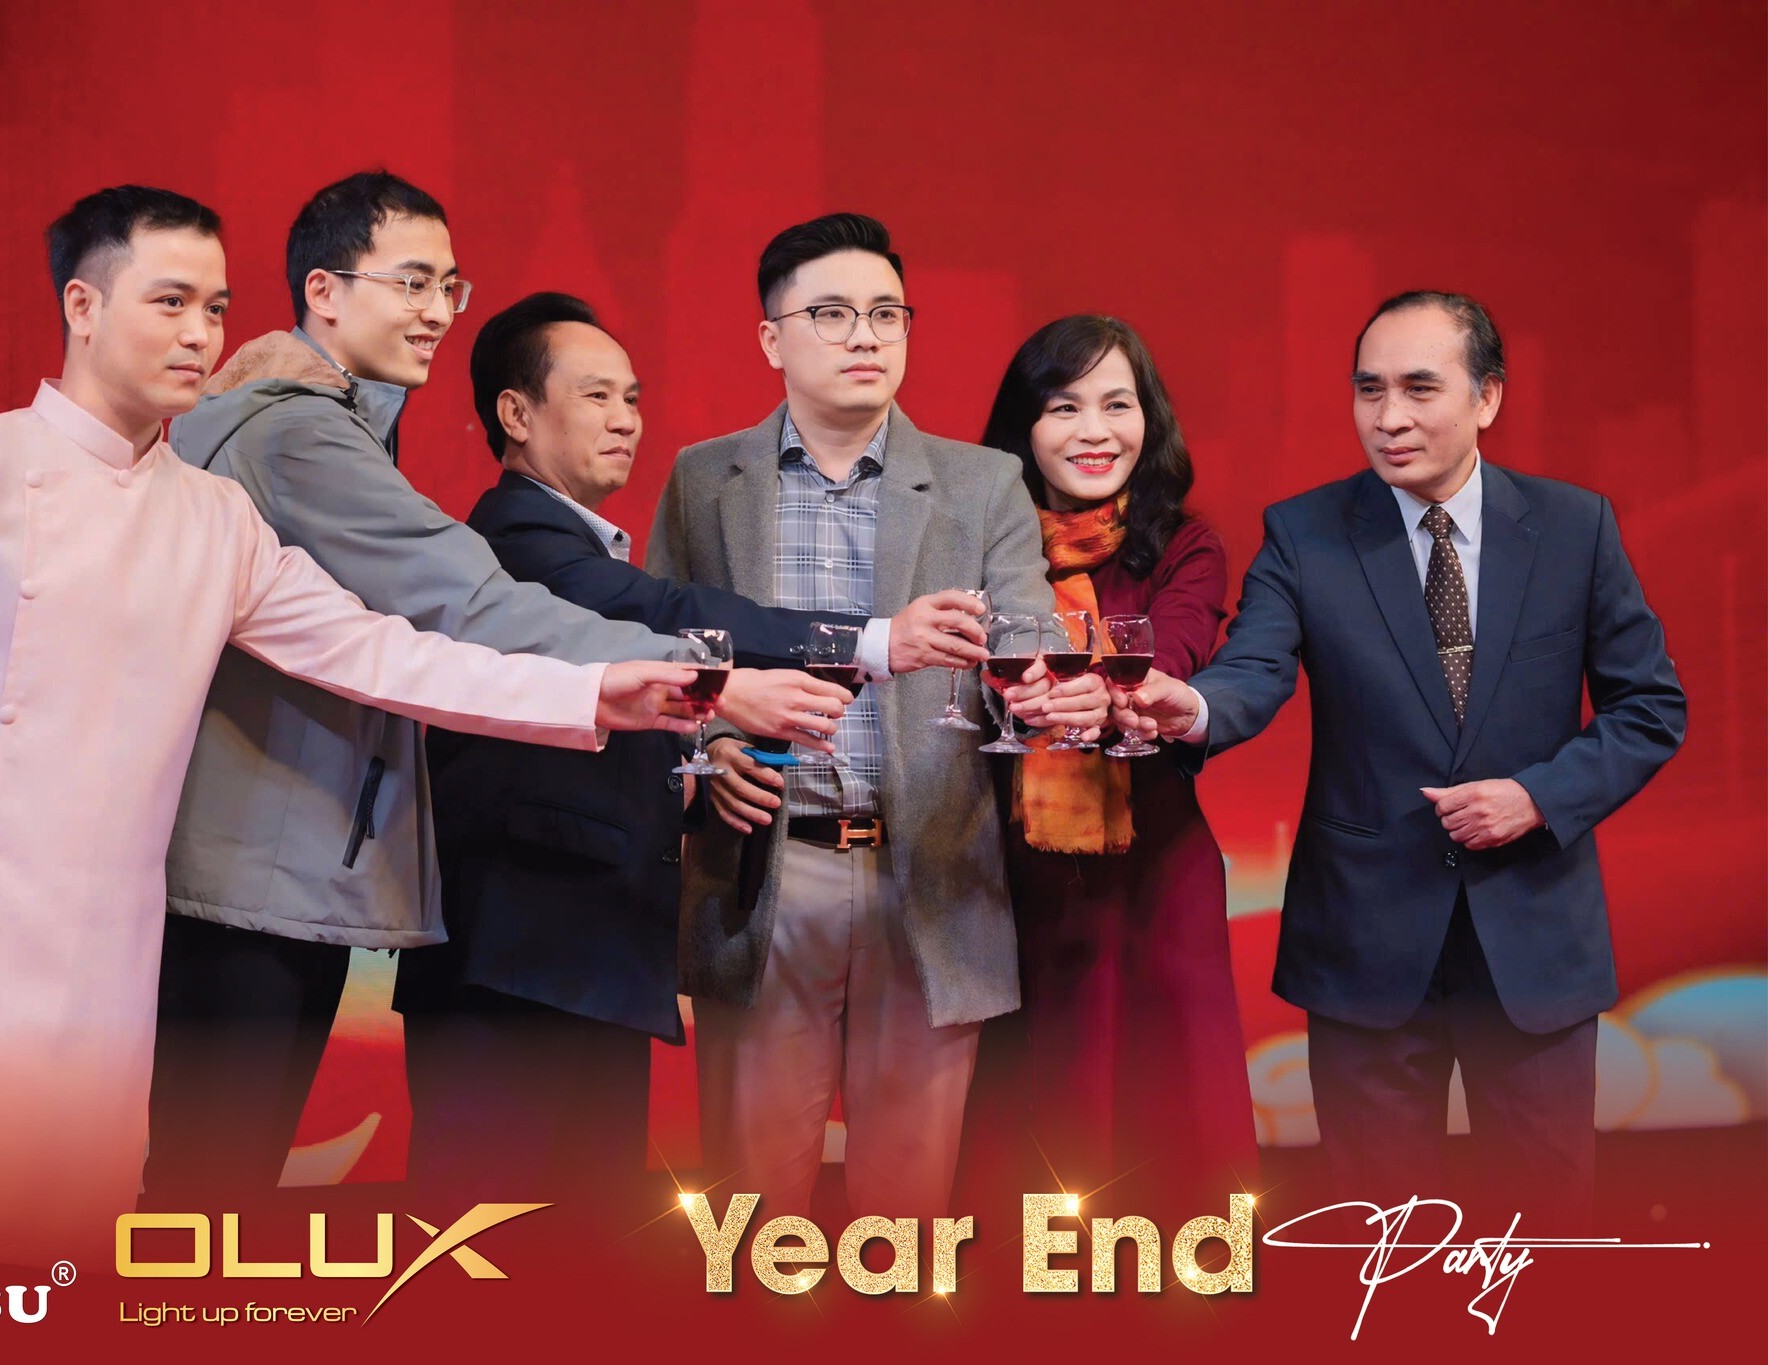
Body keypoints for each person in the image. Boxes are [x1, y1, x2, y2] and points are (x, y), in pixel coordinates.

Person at [0, 185, 694, 1264]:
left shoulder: (215, 518)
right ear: (82, 306)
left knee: (83, 1252)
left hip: (116, 946)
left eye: (214, 309)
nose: (200, 335)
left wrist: (598, 692)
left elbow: (384, 654)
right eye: (169, 302)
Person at [145, 173, 833, 1201]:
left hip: (286, 877)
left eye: (448, 286)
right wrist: (712, 686)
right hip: (265, 881)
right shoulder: (300, 436)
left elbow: (389, 649)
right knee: (211, 1196)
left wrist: (697, 733)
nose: (436, 310)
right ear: (325, 291)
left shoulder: (323, 428)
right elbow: (473, 606)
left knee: (216, 1194)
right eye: (412, 282)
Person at [400, 291, 989, 1207]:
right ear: (515, 412)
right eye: (596, 395)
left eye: (632, 398)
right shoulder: (520, 539)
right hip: (518, 967)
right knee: (484, 1240)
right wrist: (871, 640)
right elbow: (672, 613)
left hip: (584, 962)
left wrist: (705, 759)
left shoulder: (579, 541)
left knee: (579, 1251)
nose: (625, 419)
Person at [1114, 291, 1685, 1225]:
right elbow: (1253, 668)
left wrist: (1538, 797)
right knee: (1382, 1245)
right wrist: (1198, 706)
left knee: (1541, 1239)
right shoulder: (1305, 532)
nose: (1389, 417)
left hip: (1534, 939)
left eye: (1420, 388)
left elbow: (1651, 706)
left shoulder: (1574, 528)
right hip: (1364, 943)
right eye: (1368, 389)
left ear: (1488, 397)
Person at [647, 212, 1091, 1220]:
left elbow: (1025, 638)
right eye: (834, 314)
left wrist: (1038, 690)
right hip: (768, 868)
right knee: (752, 1210)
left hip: (928, 866)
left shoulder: (982, 483)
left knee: (908, 1213)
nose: (865, 336)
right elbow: (664, 652)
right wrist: (713, 738)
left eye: (887, 314)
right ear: (772, 339)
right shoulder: (705, 479)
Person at [960, 315, 1257, 1219]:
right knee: (1026, 1141)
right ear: (1024, 427)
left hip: (1154, 878)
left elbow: (1177, 647)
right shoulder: (977, 546)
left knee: (1176, 1138)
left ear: (1149, 418)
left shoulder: (1184, 545)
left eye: (1117, 404)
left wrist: (1108, 691)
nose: (1095, 430)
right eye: (1064, 407)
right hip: (1004, 885)